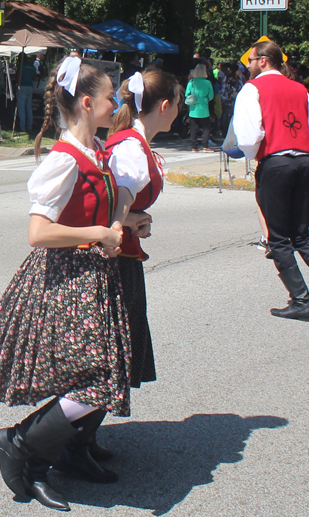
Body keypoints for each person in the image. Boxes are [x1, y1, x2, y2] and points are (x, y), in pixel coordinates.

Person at [0, 56, 134, 511]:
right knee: (94, 381)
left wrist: (122, 224)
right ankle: (19, 445)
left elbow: (94, 206)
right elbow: (38, 233)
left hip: (92, 274)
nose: (117, 101)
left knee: (103, 374)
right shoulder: (65, 158)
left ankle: (55, 455)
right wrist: (96, 234)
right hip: (65, 280)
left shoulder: (94, 148)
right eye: (111, 95)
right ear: (88, 101)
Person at [233, 39, 309, 324]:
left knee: (277, 237)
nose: (247, 65)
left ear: (263, 61)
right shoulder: (300, 89)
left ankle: (300, 300)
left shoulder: (253, 89)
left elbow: (248, 138)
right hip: (301, 161)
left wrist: (257, 153)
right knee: (302, 232)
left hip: (276, 161)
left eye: (250, 60)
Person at [104, 69, 180, 402]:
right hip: (116, 257)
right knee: (116, 346)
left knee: (120, 346)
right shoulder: (131, 147)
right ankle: (61, 439)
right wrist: (130, 219)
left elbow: (120, 206)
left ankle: (81, 441)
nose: (180, 109)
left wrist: (137, 218)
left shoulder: (133, 142)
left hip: (124, 250)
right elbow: (111, 211)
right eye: (178, 103)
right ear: (164, 106)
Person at [185, 63, 214, 152]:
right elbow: (211, 96)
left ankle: (194, 147)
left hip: (193, 109)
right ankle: (205, 146)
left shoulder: (192, 82)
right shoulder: (208, 82)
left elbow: (187, 94)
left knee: (194, 128)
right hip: (204, 109)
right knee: (206, 128)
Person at [16, 52, 36, 132]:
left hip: (22, 86)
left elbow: (18, 76)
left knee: (21, 107)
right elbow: (34, 77)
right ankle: (30, 126)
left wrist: (17, 83)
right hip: (30, 86)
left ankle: (22, 126)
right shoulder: (31, 66)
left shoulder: (21, 66)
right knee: (28, 107)